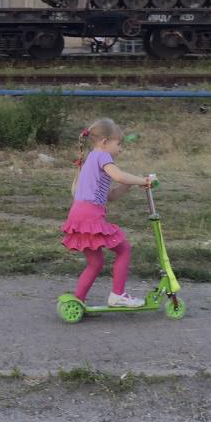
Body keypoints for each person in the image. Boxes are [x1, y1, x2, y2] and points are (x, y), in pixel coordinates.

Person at [62, 118, 153, 308]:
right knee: (124, 249)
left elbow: (110, 195)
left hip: (79, 215)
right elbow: (119, 175)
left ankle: (78, 300)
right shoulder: (102, 156)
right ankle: (118, 294)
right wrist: (142, 180)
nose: (120, 149)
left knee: (95, 264)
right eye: (118, 144)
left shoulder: (92, 160)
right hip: (89, 217)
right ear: (105, 142)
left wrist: (129, 184)